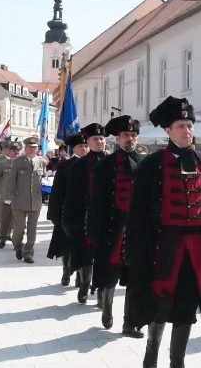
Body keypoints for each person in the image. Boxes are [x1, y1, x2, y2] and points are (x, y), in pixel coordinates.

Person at [125, 96, 201, 368]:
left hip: (195, 251)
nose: (187, 131)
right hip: (162, 249)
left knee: (186, 308)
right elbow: (138, 214)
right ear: (167, 130)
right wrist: (135, 252)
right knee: (159, 305)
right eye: (180, 126)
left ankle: (177, 361)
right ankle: (151, 355)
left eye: (190, 125)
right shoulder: (151, 165)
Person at [86, 115, 144, 337]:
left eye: (133, 135)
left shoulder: (145, 163)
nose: (130, 139)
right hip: (113, 229)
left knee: (135, 279)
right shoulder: (106, 165)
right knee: (110, 274)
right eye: (126, 135)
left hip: (137, 231)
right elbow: (96, 202)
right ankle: (107, 309)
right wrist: (94, 231)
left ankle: (129, 323)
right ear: (117, 139)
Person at [64, 123, 107, 303]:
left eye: (102, 138)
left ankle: (101, 293)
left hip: (106, 221)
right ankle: (84, 283)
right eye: (95, 139)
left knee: (104, 259)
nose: (99, 141)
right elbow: (71, 196)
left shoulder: (112, 162)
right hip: (84, 219)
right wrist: (68, 221)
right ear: (88, 142)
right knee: (86, 256)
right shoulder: (80, 165)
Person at [47, 133, 88, 285]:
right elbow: (57, 192)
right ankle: (66, 271)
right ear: (73, 149)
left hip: (85, 213)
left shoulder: (92, 164)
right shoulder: (65, 166)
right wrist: (54, 214)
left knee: (83, 247)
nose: (84, 149)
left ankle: (81, 276)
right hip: (67, 212)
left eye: (85, 146)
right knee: (66, 245)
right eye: (80, 146)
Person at [5, 137, 47, 263]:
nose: (32, 149)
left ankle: (28, 253)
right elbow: (11, 179)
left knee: (32, 228)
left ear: (37, 149)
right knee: (20, 227)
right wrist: (8, 196)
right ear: (26, 148)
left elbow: (44, 179)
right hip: (19, 200)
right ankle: (18, 245)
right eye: (30, 147)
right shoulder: (18, 161)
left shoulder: (42, 162)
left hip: (35, 201)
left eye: (35, 147)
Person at [0, 141, 21, 249]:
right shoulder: (3, 163)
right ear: (9, 151)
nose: (16, 153)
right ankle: (3, 236)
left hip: (18, 196)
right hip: (4, 194)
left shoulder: (23, 163)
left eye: (18, 151)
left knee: (17, 219)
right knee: (4, 218)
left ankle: (16, 241)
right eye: (14, 151)